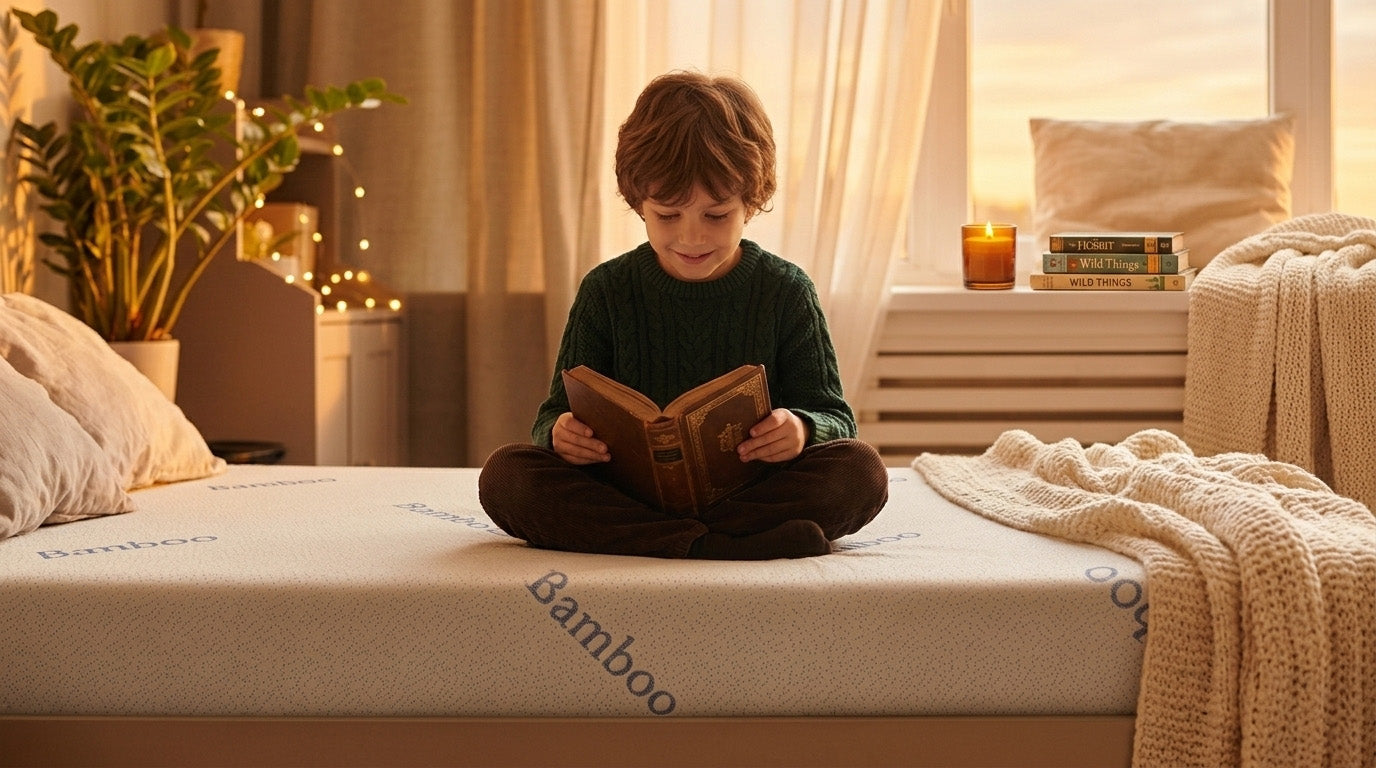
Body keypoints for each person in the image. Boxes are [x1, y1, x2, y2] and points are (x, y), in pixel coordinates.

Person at [478, 71, 889, 560]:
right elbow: (552, 415)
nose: (691, 239)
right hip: (627, 493)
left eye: (716, 216)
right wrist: (561, 435)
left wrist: (800, 428)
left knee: (860, 472)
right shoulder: (606, 290)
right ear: (638, 204)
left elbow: (836, 419)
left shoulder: (786, 291)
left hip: (747, 493)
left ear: (751, 202)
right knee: (507, 477)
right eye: (668, 216)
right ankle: (718, 544)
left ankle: (659, 541)